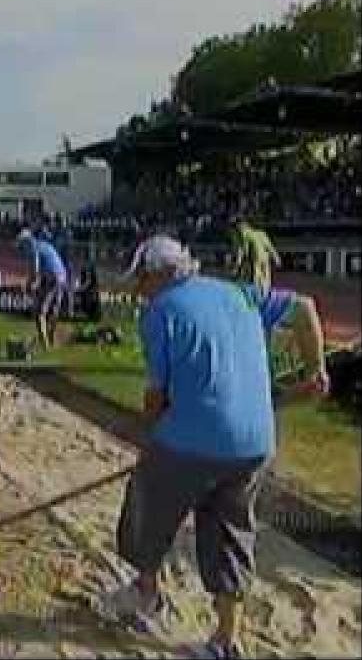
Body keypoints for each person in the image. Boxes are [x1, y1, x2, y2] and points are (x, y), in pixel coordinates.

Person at [103, 235, 325, 659]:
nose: (139, 289)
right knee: (230, 532)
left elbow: (156, 400)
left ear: (161, 274)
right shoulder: (239, 292)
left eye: (142, 279)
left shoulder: (159, 313)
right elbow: (305, 308)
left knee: (145, 506)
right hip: (255, 442)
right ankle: (226, 639)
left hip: (192, 441)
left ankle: (146, 592)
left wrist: (146, 435)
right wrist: (317, 370)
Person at [15, 229, 69, 350]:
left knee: (40, 312)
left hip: (51, 277)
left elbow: (35, 269)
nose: (21, 249)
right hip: (62, 276)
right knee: (54, 310)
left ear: (26, 241)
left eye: (21, 245)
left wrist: (29, 284)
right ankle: (51, 339)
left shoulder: (33, 248)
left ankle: (44, 344)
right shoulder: (44, 244)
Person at [229, 215, 281, 295]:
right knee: (266, 278)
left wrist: (238, 266)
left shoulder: (244, 234)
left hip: (255, 259)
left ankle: (256, 295)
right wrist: (276, 258)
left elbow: (243, 251)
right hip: (265, 258)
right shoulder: (261, 233)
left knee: (256, 279)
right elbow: (270, 247)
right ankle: (266, 293)